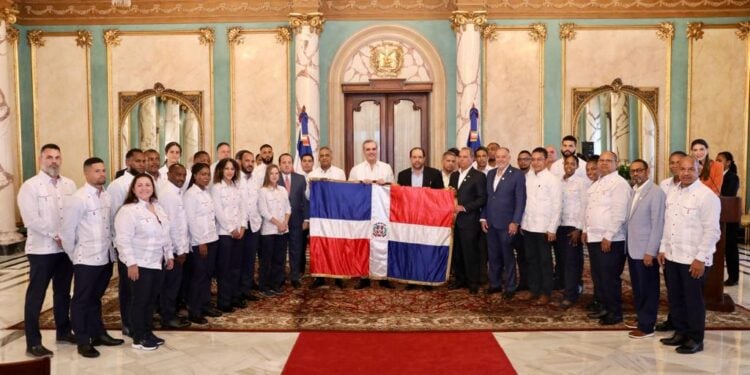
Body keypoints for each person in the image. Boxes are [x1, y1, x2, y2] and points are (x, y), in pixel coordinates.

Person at [60, 157, 124, 358]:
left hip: (105, 256)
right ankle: (82, 340)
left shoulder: (106, 196)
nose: (102, 174)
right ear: (86, 173)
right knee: (81, 300)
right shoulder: (78, 198)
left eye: (103, 170)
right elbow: (67, 232)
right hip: (86, 259)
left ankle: (98, 334)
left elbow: (110, 225)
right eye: (97, 171)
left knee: (96, 298)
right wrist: (75, 256)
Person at [17, 144, 77, 357]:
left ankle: (63, 331)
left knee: (63, 293)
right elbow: (31, 219)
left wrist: (69, 238)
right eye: (49, 157)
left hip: (64, 251)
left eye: (57, 157)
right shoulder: (30, 186)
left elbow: (73, 215)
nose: (54, 161)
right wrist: (56, 235)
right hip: (41, 250)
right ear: (41, 159)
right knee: (36, 295)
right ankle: (33, 342)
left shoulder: (70, 185)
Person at [658, 156, 720, 354]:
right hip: (673, 256)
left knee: (693, 300)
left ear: (699, 169)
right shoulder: (673, 192)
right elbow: (668, 224)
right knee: (675, 298)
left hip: (693, 259)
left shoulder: (706, 196)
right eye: (682, 169)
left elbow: (712, 232)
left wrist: (700, 258)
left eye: (690, 169)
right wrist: (662, 248)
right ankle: (680, 332)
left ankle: (695, 338)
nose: (685, 173)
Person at [114, 173, 174, 351]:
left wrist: (169, 255)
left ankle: (148, 332)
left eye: (148, 185)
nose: (144, 188)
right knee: (139, 300)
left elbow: (165, 233)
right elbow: (122, 240)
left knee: (150, 300)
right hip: (139, 264)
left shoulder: (157, 207)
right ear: (133, 189)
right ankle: (138, 337)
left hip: (157, 262)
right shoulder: (128, 211)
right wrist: (131, 263)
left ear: (153, 188)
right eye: (139, 185)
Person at [583, 151, 632, 325]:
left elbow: (619, 214)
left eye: (608, 161)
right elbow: (589, 209)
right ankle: (603, 307)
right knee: (599, 276)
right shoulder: (597, 183)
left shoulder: (619, 184)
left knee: (610, 277)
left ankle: (615, 312)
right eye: (601, 161)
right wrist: (585, 229)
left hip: (611, 239)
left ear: (616, 163)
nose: (603, 164)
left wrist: (609, 235)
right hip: (594, 237)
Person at [107, 147, 146, 337]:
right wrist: (120, 244)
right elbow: (114, 215)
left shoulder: (147, 181)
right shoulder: (117, 185)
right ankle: (127, 322)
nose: (142, 164)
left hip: (144, 244)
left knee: (142, 285)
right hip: (126, 243)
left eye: (143, 161)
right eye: (138, 161)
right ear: (128, 162)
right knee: (128, 286)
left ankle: (141, 319)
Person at [516, 147, 561, 306]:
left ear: (546, 160)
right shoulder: (528, 178)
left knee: (545, 262)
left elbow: (557, 205)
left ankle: (545, 292)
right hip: (528, 226)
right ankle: (534, 289)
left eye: (539, 159)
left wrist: (552, 228)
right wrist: (522, 222)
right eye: (533, 160)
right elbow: (524, 202)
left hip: (544, 228)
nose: (535, 162)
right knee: (531, 260)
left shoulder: (552, 179)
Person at [625, 159, 665, 339]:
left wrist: (651, 251)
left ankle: (647, 326)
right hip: (634, 248)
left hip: (645, 251)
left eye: (639, 170)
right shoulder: (634, 191)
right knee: (639, 287)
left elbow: (657, 224)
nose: (635, 174)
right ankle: (642, 318)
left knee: (648, 288)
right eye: (633, 171)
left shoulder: (655, 192)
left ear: (647, 171)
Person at [480, 147, 525, 300]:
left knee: (508, 257)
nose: (500, 159)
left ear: (509, 157)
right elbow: (488, 198)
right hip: (491, 223)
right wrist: (483, 218)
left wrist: (515, 222)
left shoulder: (517, 174)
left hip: (507, 224)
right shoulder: (491, 173)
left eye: (503, 157)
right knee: (493, 257)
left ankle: (511, 286)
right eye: (498, 157)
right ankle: (495, 284)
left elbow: (520, 200)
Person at [349, 140, 395, 289]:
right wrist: (361, 185)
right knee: (363, 244)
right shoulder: (356, 170)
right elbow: (349, 191)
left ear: (378, 150)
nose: (371, 152)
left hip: (382, 213)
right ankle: (363, 277)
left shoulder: (386, 168)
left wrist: (385, 184)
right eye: (368, 149)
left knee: (382, 242)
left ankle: (383, 277)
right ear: (363, 151)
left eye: (373, 149)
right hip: (362, 213)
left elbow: (394, 189)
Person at [183, 163, 222, 324]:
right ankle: (194, 310)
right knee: (198, 276)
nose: (206, 177)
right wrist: (200, 242)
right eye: (202, 174)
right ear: (195, 176)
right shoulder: (191, 194)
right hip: (200, 241)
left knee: (207, 275)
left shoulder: (206, 192)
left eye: (208, 174)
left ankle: (205, 304)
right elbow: (191, 220)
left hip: (212, 238)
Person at [654, 150, 687, 332]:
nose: (674, 166)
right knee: (671, 286)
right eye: (672, 162)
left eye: (678, 162)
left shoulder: (689, 187)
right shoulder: (665, 185)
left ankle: (684, 325)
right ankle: (673, 319)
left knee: (684, 290)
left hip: (683, 242)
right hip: (667, 239)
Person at [156, 163, 191, 329]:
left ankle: (169, 313)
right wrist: (180, 250)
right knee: (170, 285)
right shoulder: (169, 194)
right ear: (168, 174)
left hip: (176, 248)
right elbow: (172, 226)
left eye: (183, 175)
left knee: (173, 284)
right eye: (178, 175)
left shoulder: (175, 192)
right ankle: (167, 317)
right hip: (173, 249)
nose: (181, 179)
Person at [448, 147, 487, 294]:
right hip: (454, 221)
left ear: (472, 159)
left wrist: (464, 207)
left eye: (465, 157)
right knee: (457, 252)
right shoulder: (454, 175)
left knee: (470, 252)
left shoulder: (478, 176)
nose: (461, 159)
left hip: (469, 220)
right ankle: (460, 279)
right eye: (460, 157)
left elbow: (482, 198)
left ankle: (473, 282)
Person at [211, 158, 247, 311]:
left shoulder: (236, 188)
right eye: (226, 169)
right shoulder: (216, 188)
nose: (230, 172)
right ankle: (224, 302)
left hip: (239, 233)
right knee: (224, 269)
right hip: (225, 233)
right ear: (220, 170)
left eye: (232, 169)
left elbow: (243, 209)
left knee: (236, 267)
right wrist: (232, 229)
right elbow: (218, 212)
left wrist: (243, 227)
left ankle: (235, 297)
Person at [308, 146, 347, 289]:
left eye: (327, 155)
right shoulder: (312, 174)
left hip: (335, 216)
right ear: (319, 158)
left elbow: (343, 194)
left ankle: (337, 276)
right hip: (319, 216)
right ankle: (320, 277)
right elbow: (307, 196)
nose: (324, 157)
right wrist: (312, 186)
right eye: (322, 155)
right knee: (319, 245)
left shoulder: (339, 173)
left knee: (336, 245)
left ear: (331, 157)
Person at [556, 154, 587, 309]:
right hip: (559, 226)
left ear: (577, 166)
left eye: (572, 164)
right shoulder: (559, 181)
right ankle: (567, 289)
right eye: (566, 163)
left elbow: (584, 206)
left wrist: (579, 228)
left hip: (573, 227)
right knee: (562, 262)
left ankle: (571, 295)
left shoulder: (581, 183)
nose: (569, 166)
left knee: (571, 263)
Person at [258, 164, 291, 297]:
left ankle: (275, 284)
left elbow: (288, 208)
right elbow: (264, 211)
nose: (274, 176)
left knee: (279, 259)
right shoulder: (263, 191)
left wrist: (285, 223)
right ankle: (264, 286)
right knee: (267, 260)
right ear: (267, 175)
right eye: (271, 173)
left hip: (283, 230)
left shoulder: (283, 190)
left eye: (276, 173)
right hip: (269, 231)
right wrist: (278, 223)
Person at [278, 153, 309, 289]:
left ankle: (295, 276)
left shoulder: (300, 179)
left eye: (289, 162)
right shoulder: (274, 178)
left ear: (292, 164)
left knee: (296, 250)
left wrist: (306, 219)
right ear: (279, 165)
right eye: (284, 162)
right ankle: (280, 277)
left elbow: (305, 201)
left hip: (297, 220)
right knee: (280, 250)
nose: (286, 165)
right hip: (280, 222)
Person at [236, 150, 262, 301]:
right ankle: (237, 291)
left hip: (254, 224)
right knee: (238, 260)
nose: (250, 164)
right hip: (240, 226)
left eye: (252, 161)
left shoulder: (256, 179)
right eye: (247, 161)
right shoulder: (235, 179)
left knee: (250, 259)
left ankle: (246, 290)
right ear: (240, 161)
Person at [717, 151, 740, 286]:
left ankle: (733, 277)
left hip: (728, 219)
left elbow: (728, 195)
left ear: (728, 163)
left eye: (720, 160)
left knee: (730, 248)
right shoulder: (714, 176)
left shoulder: (732, 177)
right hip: (716, 218)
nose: (717, 163)